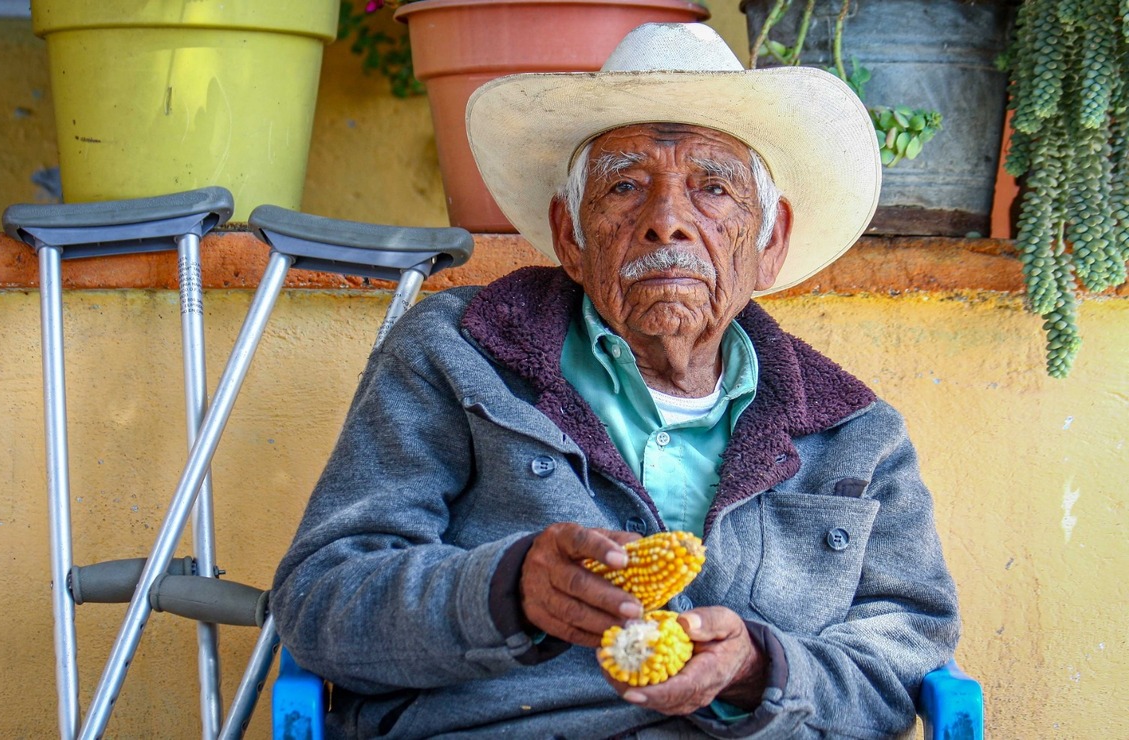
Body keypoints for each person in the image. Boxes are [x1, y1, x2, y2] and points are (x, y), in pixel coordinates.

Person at [271, 22, 959, 739]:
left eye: (713, 189)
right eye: (625, 186)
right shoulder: (457, 354)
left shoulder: (854, 434)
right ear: (569, 234)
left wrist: (761, 667)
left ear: (769, 241)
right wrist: (507, 590)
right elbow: (323, 602)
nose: (667, 221)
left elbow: (904, 654)